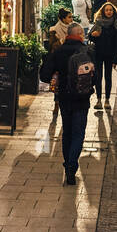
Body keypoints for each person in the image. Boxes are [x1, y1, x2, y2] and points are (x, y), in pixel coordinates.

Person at [39, 23, 95, 185]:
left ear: (68, 34)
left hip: (64, 96)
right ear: (80, 35)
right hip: (82, 98)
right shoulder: (87, 52)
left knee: (68, 132)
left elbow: (43, 75)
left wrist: (57, 74)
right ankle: (72, 165)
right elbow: (95, 78)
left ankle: (67, 164)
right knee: (79, 133)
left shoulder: (59, 51)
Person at [88, 2, 117, 109]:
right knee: (98, 77)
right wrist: (93, 35)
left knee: (108, 77)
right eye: (107, 10)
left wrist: (115, 59)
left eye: (111, 10)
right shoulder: (98, 23)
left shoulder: (116, 25)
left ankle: (107, 100)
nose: (109, 12)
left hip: (110, 55)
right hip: (98, 54)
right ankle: (98, 100)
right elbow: (90, 36)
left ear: (113, 12)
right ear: (103, 11)